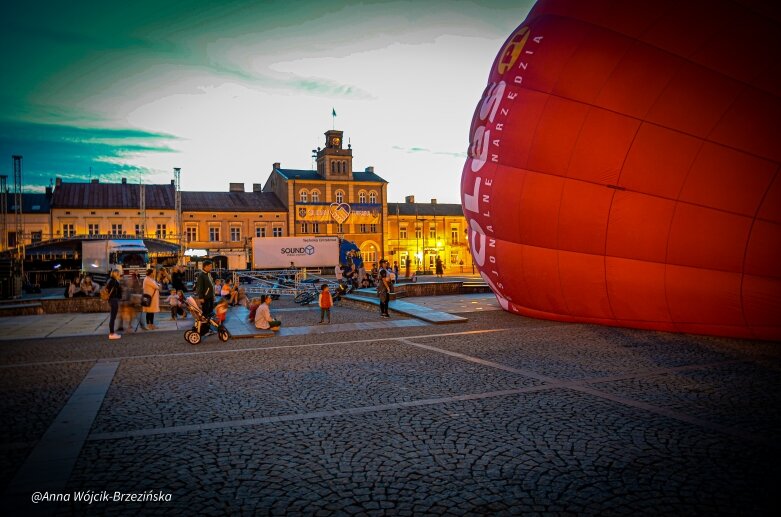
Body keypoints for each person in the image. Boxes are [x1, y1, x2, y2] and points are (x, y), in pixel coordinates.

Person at [106, 269, 123, 340]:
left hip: (112, 299)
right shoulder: (114, 281)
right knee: (113, 317)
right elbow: (117, 290)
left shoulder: (110, 280)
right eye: (118, 273)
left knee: (113, 317)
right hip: (113, 300)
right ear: (115, 274)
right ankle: (112, 333)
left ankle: (112, 333)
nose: (119, 275)